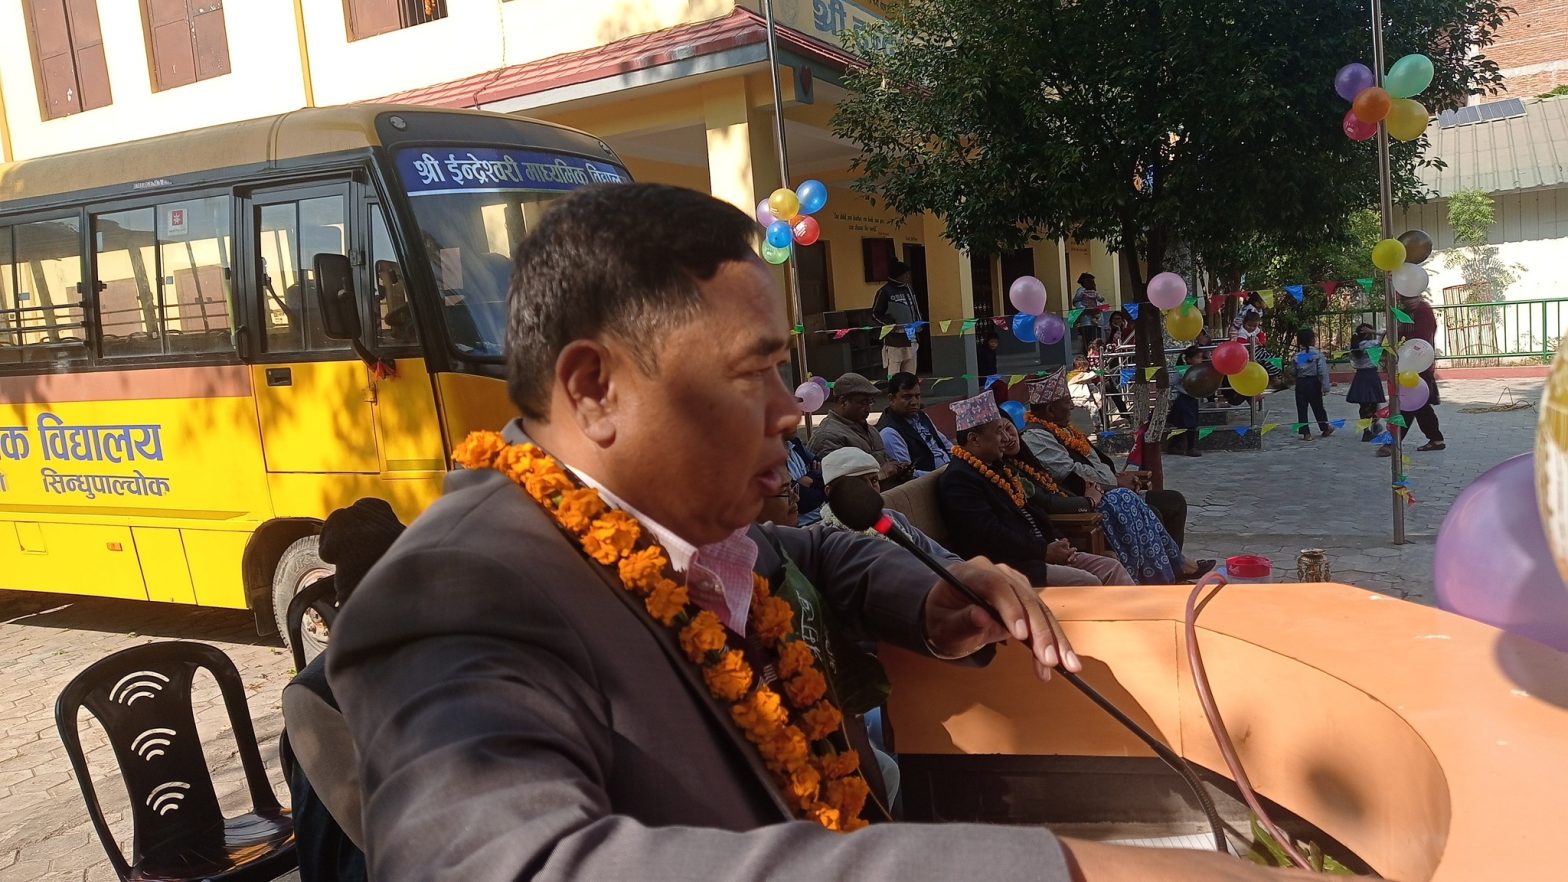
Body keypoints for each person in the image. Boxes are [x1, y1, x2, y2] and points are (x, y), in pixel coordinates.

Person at [327, 184, 1315, 882]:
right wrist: (1067, 871)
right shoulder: (447, 602)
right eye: (749, 372)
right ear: (595, 389)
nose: (787, 412)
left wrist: (930, 597)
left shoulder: (678, 527)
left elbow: (802, 551)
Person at [1015, 375, 1210, 584]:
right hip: (1086, 501)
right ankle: (1163, 575)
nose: (1072, 406)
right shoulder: (1036, 437)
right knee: (1154, 510)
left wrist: (1118, 477)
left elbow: (1095, 463)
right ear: (1050, 410)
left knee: (1173, 501)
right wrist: (1114, 483)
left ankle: (1175, 570)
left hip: (1107, 488)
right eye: (1066, 402)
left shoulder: (1065, 429)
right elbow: (1073, 475)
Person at [937, 392, 1131, 587]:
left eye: (1006, 429)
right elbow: (990, 536)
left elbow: (1031, 512)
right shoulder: (959, 480)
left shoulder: (995, 466)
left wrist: (1059, 542)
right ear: (974, 439)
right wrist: (1043, 551)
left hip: (1041, 552)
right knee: (1089, 582)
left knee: (1111, 568)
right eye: (998, 432)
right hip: (1009, 567)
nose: (1005, 438)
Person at [815, 447, 960, 564]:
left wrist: (961, 572)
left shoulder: (891, 518)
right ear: (830, 492)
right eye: (859, 484)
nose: (870, 490)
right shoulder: (829, 539)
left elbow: (941, 555)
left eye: (874, 480)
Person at [808, 371, 910, 485]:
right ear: (843, 402)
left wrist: (897, 468)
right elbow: (839, 484)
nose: (869, 409)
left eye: (871, 402)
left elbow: (884, 459)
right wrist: (881, 474)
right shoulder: (828, 437)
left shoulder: (870, 430)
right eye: (863, 403)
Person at [1385, 291, 1445, 454]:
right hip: (1408, 363)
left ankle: (1392, 442)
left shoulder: (1423, 311)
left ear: (1418, 295)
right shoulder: (1405, 312)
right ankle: (1436, 438)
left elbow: (1420, 339)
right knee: (1419, 404)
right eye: (1404, 298)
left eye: (1410, 297)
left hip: (1419, 363)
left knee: (1410, 402)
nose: (1407, 301)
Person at [877, 372, 952, 477]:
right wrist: (946, 475)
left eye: (917, 396)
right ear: (891, 399)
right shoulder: (889, 432)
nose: (914, 402)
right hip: (932, 481)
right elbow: (907, 475)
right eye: (907, 397)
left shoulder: (921, 415)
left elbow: (945, 444)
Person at [872, 260, 921, 377]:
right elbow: (875, 314)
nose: (908, 277)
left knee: (910, 373)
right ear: (897, 275)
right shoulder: (884, 292)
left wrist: (918, 324)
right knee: (894, 373)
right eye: (905, 274)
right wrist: (890, 323)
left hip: (911, 337)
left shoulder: (908, 289)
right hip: (894, 340)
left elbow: (915, 309)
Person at [1346, 323, 1387, 442]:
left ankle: (1367, 430)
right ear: (1366, 333)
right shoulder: (1371, 344)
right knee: (1373, 404)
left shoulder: (1355, 346)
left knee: (1364, 406)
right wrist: (1373, 331)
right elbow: (1386, 333)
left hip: (1360, 376)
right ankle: (1372, 427)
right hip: (1371, 375)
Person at [1294, 328, 1333, 441]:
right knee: (1318, 407)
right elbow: (1322, 372)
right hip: (1313, 383)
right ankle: (1325, 428)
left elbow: (1293, 371)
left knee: (1301, 409)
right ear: (1313, 340)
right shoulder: (1317, 355)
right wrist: (1325, 387)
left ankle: (1306, 434)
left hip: (1300, 383)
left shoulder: (1297, 356)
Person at [1165, 346, 1203, 458]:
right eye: (1197, 357)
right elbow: (1172, 382)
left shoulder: (1200, 370)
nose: (1200, 360)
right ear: (1189, 359)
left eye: (1201, 357)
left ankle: (1173, 446)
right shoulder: (1181, 370)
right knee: (1189, 425)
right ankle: (1190, 448)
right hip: (1183, 400)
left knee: (1184, 425)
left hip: (1193, 400)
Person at [785, 432, 826, 525]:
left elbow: (826, 469)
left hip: (821, 519)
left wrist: (809, 478)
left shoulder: (794, 443)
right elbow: (800, 500)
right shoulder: (767, 457)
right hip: (800, 526)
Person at [1072, 273, 1106, 354]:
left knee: (1097, 342)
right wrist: (1087, 310)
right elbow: (1076, 302)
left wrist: (1098, 308)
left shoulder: (1094, 292)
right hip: (1086, 321)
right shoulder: (1081, 291)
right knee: (1088, 343)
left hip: (1097, 321)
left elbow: (1100, 301)